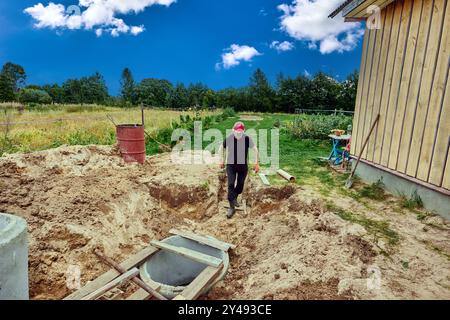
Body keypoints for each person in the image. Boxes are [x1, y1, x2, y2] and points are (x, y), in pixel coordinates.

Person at [219, 122, 259, 219]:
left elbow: (255, 149)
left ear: (243, 132)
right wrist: (221, 160)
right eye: (237, 133)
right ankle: (231, 207)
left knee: (240, 186)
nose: (238, 135)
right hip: (231, 165)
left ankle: (235, 198)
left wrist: (257, 163)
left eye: (240, 133)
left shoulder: (247, 139)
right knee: (231, 184)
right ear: (233, 131)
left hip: (243, 166)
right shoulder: (229, 138)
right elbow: (221, 148)